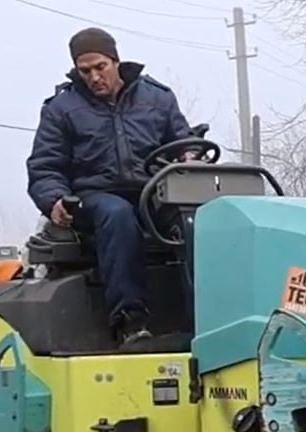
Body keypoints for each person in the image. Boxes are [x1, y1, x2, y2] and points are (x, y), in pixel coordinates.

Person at [26, 27, 192, 346]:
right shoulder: (61, 109)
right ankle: (130, 320)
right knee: (117, 215)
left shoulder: (158, 98)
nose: (94, 77)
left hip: (154, 192)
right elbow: (45, 166)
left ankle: (207, 313)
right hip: (94, 197)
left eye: (100, 67)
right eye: (84, 71)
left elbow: (183, 142)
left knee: (198, 220)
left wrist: (189, 155)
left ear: (115, 61)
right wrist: (54, 200)